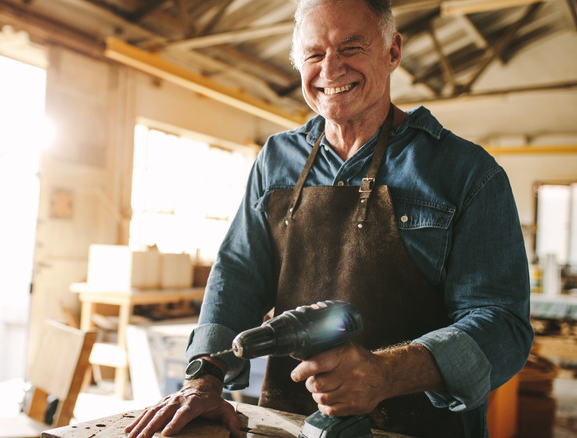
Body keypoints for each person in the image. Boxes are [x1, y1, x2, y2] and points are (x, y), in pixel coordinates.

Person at [125, 0, 533, 436]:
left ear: (392, 52)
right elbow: (238, 274)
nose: (330, 69)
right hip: (294, 421)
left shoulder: (467, 172)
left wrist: (384, 373)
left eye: (351, 47)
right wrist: (204, 377)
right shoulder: (276, 160)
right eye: (314, 54)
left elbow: (502, 325)